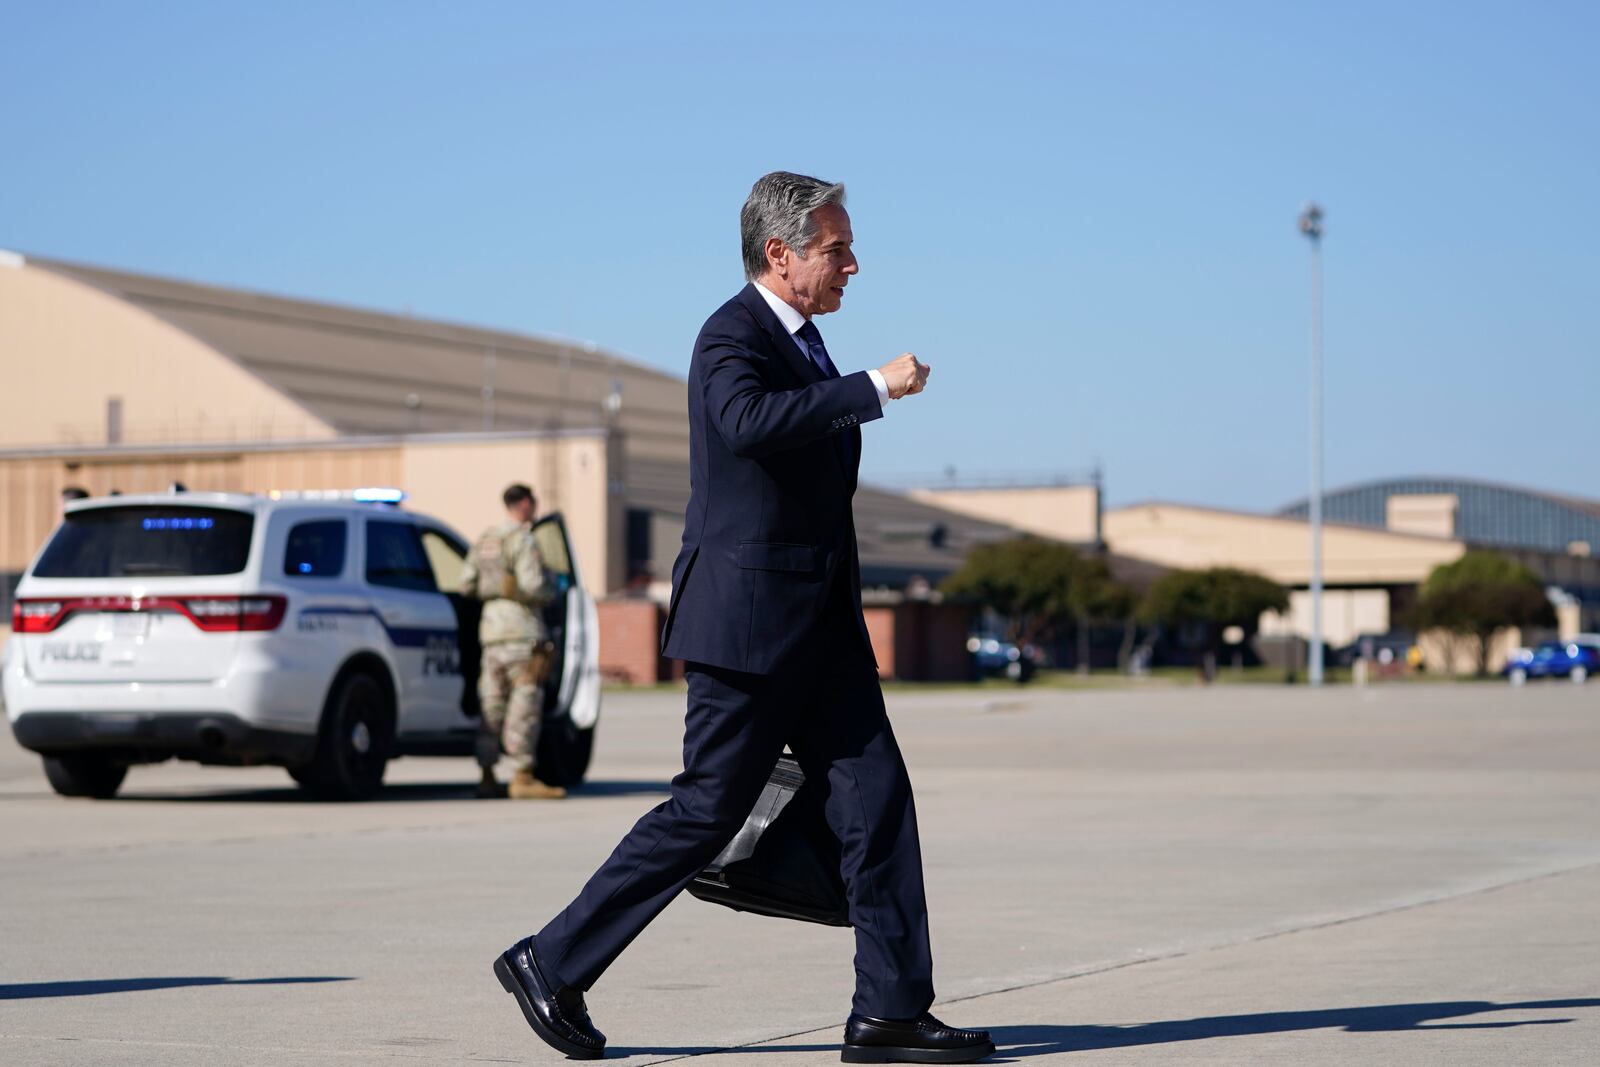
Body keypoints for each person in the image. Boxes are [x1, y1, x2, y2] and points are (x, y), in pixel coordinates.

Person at [492, 173, 993, 1063]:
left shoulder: (806, 348)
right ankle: (551, 960)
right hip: (750, 630)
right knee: (707, 810)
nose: (852, 265)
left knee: (877, 803)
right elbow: (749, 423)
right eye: (837, 249)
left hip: (821, 633)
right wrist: (874, 385)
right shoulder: (732, 335)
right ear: (781, 253)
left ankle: (889, 1010)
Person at [459, 483, 566, 801]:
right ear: (524, 505)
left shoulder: (485, 540)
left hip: (491, 635)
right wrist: (552, 589)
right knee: (524, 704)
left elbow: (466, 585)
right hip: (523, 633)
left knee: (491, 704)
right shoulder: (523, 540)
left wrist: (493, 592)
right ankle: (522, 775)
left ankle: (487, 775)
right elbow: (533, 585)